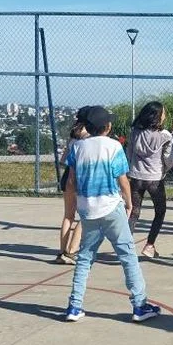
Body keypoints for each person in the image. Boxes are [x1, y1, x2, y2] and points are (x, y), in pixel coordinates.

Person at [63, 106, 160, 323]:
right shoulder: (114, 146)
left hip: (88, 208)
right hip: (110, 206)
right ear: (107, 127)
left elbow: (71, 181)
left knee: (85, 257)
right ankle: (139, 304)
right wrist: (129, 202)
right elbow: (122, 179)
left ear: (86, 126)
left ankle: (74, 306)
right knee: (127, 256)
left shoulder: (77, 148)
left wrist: (73, 208)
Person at [126, 101, 173, 258]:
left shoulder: (135, 132)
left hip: (136, 176)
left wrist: (130, 169)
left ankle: (125, 246)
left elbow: (129, 153)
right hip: (155, 178)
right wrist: (165, 170)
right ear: (157, 116)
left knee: (134, 212)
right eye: (163, 113)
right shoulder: (165, 136)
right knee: (160, 211)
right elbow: (168, 158)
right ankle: (149, 245)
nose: (165, 115)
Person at [55, 112, 89, 264]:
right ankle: (71, 251)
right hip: (81, 178)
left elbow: (63, 160)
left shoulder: (73, 136)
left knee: (68, 216)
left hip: (68, 177)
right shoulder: (89, 137)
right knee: (85, 216)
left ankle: (61, 251)